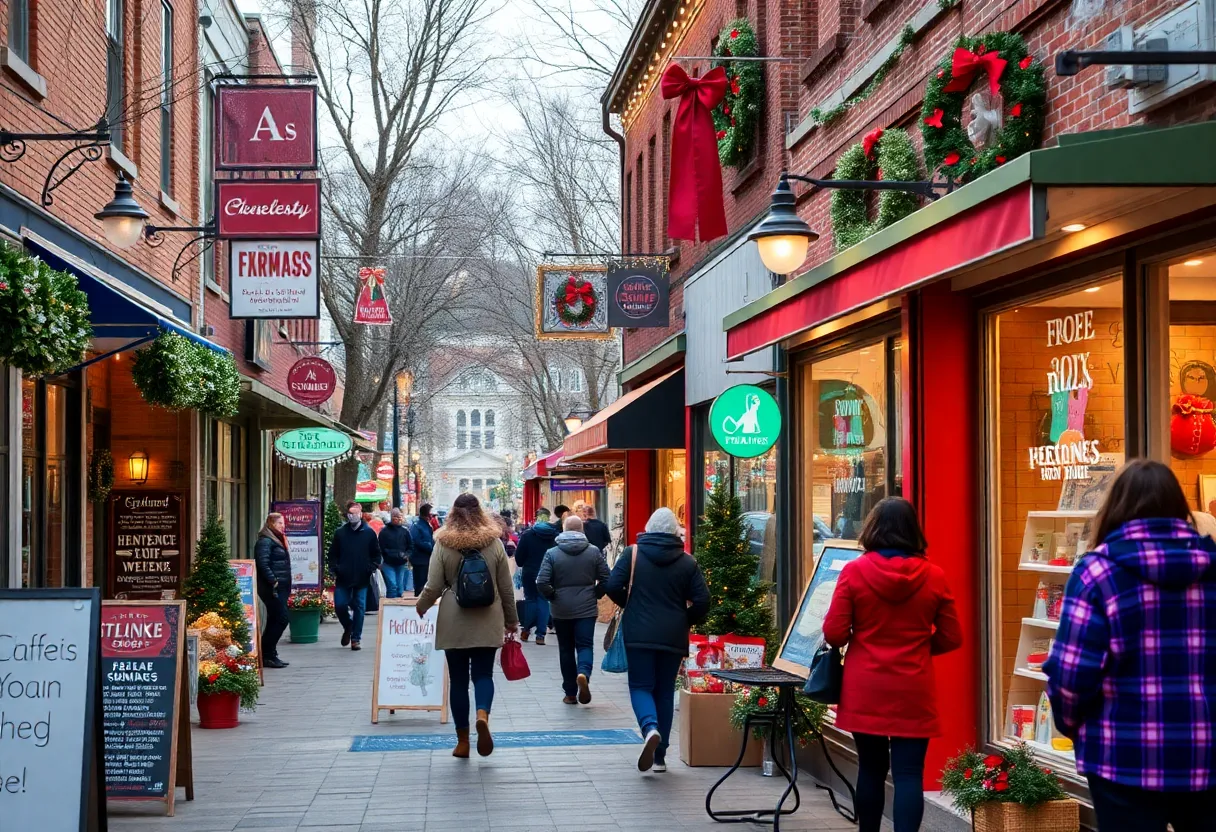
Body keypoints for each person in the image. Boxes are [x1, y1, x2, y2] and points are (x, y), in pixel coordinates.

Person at [1044, 460, 1216, 831]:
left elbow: (1070, 673)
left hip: (1122, 753)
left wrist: (1075, 726)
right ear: (1178, 507)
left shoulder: (1097, 572)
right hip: (1206, 752)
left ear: (1115, 508)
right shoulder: (1211, 568)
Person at [822, 497, 962, 832]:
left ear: (872, 528)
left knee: (870, 768)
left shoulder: (854, 572)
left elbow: (834, 632)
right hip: (913, 686)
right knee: (909, 774)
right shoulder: (934, 576)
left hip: (865, 685)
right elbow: (952, 636)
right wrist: (920, 646)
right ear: (913, 531)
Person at [604, 507, 709, 773]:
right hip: (673, 635)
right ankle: (660, 757)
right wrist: (685, 619)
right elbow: (703, 601)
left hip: (638, 632)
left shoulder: (633, 554)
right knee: (664, 690)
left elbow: (613, 586)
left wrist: (630, 604)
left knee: (640, 686)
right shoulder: (687, 562)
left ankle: (649, 728)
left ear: (648, 528)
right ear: (675, 532)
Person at [416, 493, 518, 758]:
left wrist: (421, 605)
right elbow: (506, 587)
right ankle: (482, 712)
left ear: (452, 513)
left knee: (459, 681)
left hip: (454, 617)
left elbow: (434, 584)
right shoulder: (493, 543)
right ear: (480, 512)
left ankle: (462, 742)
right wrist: (511, 620)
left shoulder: (443, 543)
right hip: (488, 615)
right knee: (483, 675)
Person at [536, 515, 610, 705]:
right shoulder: (593, 552)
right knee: (585, 645)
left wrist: (553, 596)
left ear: (564, 529)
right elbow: (607, 578)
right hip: (586, 607)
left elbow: (542, 581)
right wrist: (596, 593)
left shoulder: (552, 553)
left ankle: (570, 693)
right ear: (582, 530)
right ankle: (583, 673)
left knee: (566, 649)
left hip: (561, 610)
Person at [326, 500, 383, 651]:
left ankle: (356, 638)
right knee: (340, 605)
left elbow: (377, 554)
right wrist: (335, 568)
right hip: (343, 577)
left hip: (362, 578)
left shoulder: (369, 533)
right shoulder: (340, 533)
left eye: (355, 513)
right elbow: (333, 554)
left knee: (359, 607)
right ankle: (349, 625)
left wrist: (370, 567)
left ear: (361, 514)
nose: (353, 516)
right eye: (350, 514)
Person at [514, 507, 560, 644]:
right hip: (548, 573)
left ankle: (526, 631)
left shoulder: (528, 535)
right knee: (544, 601)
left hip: (530, 572)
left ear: (537, 518)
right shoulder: (555, 535)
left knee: (530, 600)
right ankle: (541, 635)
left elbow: (519, 558)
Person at [253, 512, 292, 668]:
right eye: (280, 523)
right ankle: (267, 652)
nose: (283, 526)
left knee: (274, 619)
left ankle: (269, 654)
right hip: (272, 588)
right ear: (272, 524)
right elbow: (262, 563)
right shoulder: (265, 541)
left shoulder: (276, 539)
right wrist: (273, 580)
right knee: (282, 618)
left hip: (280, 587)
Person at [378, 508, 413, 599]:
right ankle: (391, 607)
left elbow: (410, 546)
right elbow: (380, 547)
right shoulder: (384, 532)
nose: (398, 519)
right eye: (395, 516)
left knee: (400, 588)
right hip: (388, 562)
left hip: (401, 562)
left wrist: (407, 555)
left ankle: (397, 609)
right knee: (392, 586)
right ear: (391, 517)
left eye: (400, 517)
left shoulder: (405, 531)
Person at [409, 504, 436, 598]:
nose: (432, 517)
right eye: (431, 515)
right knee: (420, 585)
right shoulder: (417, 526)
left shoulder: (427, 525)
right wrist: (429, 546)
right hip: (420, 560)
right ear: (426, 514)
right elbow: (416, 540)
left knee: (426, 584)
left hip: (427, 559)